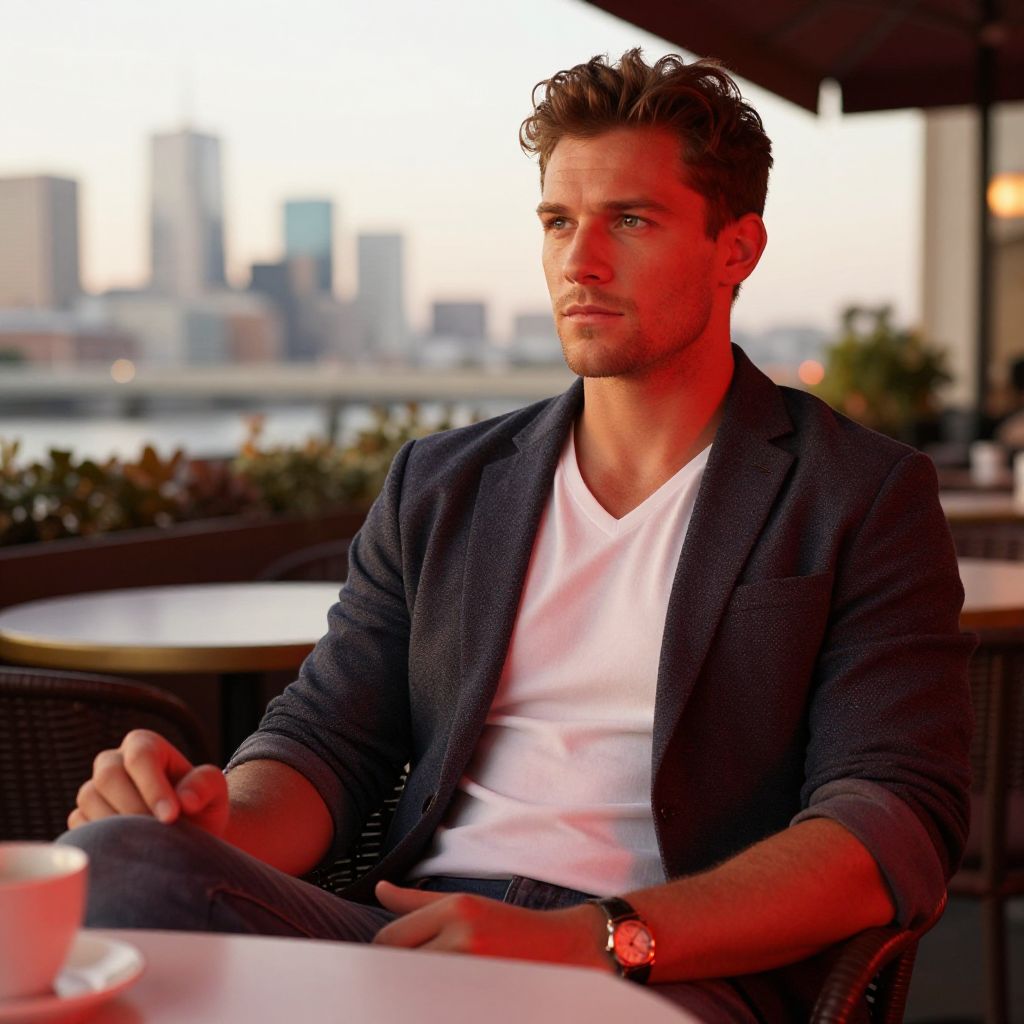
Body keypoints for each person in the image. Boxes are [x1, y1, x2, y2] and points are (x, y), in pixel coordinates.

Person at [61, 50, 973, 1021]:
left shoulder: (857, 492)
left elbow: (889, 817)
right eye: (557, 221)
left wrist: (599, 937)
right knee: (114, 861)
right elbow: (329, 739)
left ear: (734, 249)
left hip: (668, 960)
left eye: (629, 219)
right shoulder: (443, 482)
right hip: (419, 930)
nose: (579, 261)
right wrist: (215, 822)